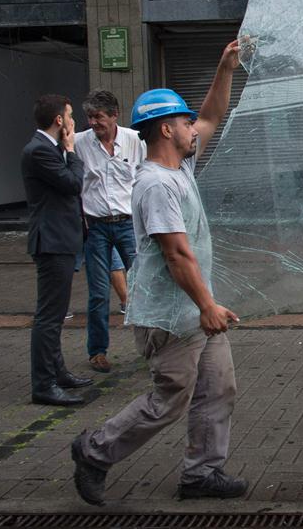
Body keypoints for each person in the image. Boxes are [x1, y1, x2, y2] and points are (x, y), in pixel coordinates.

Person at [71, 39, 247, 506]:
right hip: (170, 316)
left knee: (219, 387)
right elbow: (176, 255)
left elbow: (211, 115)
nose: (196, 128)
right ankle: (95, 450)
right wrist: (207, 305)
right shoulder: (154, 185)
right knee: (170, 398)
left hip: (196, 310)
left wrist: (224, 68)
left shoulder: (182, 164)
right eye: (186, 122)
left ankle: (202, 473)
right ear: (167, 129)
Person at [21, 94, 93, 406]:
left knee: (55, 314)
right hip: (51, 241)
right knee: (49, 317)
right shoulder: (40, 151)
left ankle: (58, 372)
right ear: (59, 121)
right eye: (71, 115)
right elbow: (73, 183)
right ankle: (44, 385)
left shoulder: (47, 149)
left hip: (61, 238)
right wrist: (72, 150)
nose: (74, 122)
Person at [75, 90, 145, 373]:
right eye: (90, 117)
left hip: (128, 223)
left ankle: (152, 344)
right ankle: (97, 352)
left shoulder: (134, 139)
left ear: (114, 115)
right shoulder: (79, 143)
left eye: (99, 117)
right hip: (97, 226)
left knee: (143, 286)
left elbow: (145, 173)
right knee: (99, 293)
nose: (94, 122)